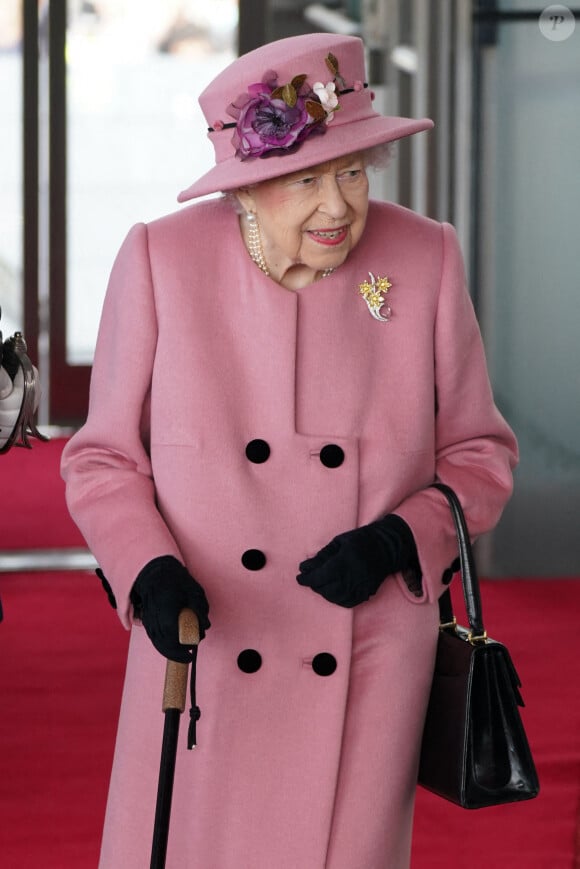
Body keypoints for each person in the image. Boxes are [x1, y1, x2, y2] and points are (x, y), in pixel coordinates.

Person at [61, 32, 518, 869]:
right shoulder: (163, 260)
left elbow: (480, 453)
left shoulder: (424, 257)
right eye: (305, 179)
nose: (339, 207)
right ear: (245, 189)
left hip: (367, 648)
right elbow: (103, 459)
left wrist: (400, 539)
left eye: (351, 171)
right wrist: (146, 566)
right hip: (206, 645)